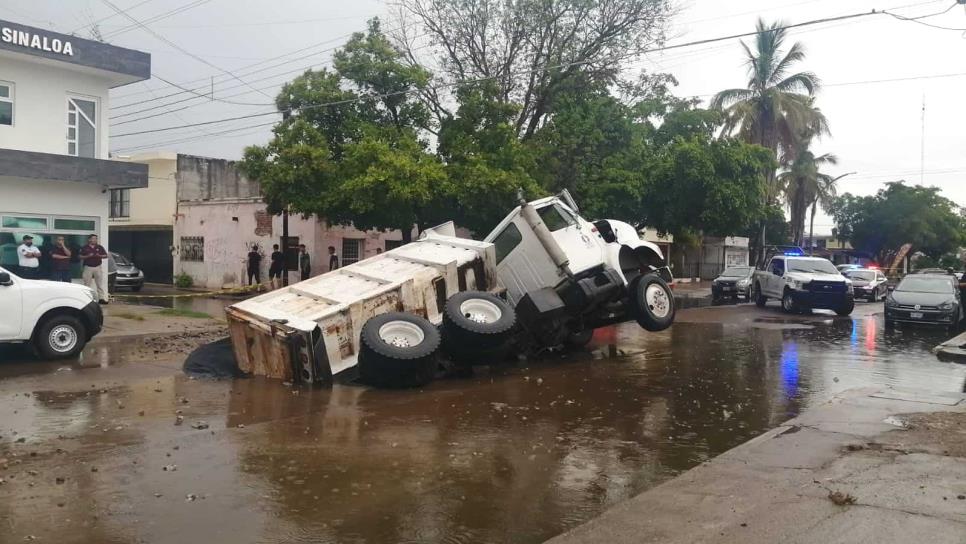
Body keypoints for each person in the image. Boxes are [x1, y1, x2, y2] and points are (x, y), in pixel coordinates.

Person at [79, 234, 109, 304]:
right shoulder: (84, 247)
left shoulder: (99, 247)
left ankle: (101, 298)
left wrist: (100, 256)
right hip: (88, 267)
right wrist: (87, 256)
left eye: (96, 239)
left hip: (98, 267)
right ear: (89, 239)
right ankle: (86, 299)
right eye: (93, 238)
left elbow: (106, 255)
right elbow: (80, 256)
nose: (95, 240)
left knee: (99, 284)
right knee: (87, 284)